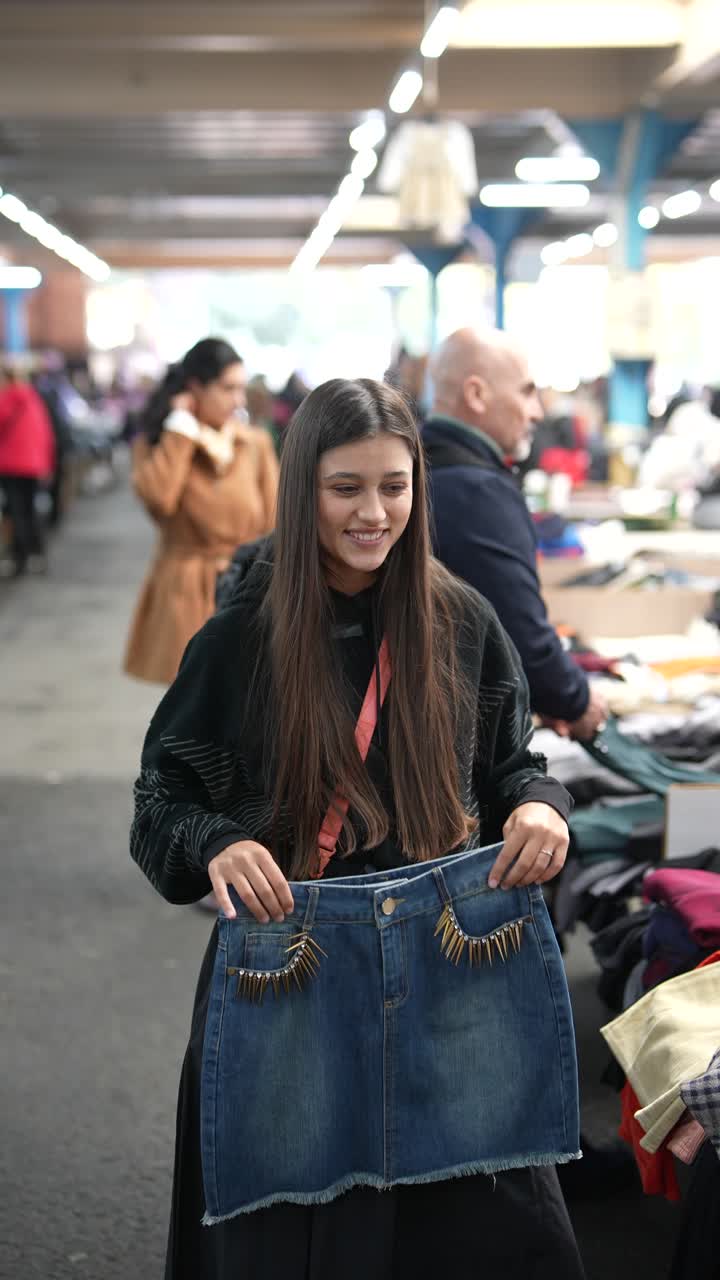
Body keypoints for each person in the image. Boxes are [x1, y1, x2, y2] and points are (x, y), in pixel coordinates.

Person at [130, 377, 585, 1280]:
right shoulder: (240, 642)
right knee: (293, 1235)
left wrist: (540, 804)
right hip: (289, 966)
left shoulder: (461, 623)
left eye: (395, 485)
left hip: (448, 964)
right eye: (347, 488)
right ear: (304, 490)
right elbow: (160, 806)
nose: (375, 513)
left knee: (475, 1228)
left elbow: (511, 766)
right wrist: (216, 842)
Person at [424, 328, 607, 741]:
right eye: (527, 393)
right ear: (476, 394)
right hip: (461, 745)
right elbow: (519, 635)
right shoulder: (477, 493)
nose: (538, 412)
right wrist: (575, 700)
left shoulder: (421, 469)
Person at [124, 338, 279, 685]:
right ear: (195, 387)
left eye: (241, 388)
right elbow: (159, 501)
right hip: (185, 590)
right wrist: (179, 428)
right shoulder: (159, 444)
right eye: (228, 388)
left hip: (247, 582)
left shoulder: (253, 443)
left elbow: (276, 521)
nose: (238, 400)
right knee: (191, 708)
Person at [0, 366, 56, 577]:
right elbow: (46, 434)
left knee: (16, 512)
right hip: (33, 464)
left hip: (11, 465)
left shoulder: (7, 399)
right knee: (29, 511)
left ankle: (19, 558)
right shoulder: (33, 399)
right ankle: (36, 555)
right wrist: (47, 464)